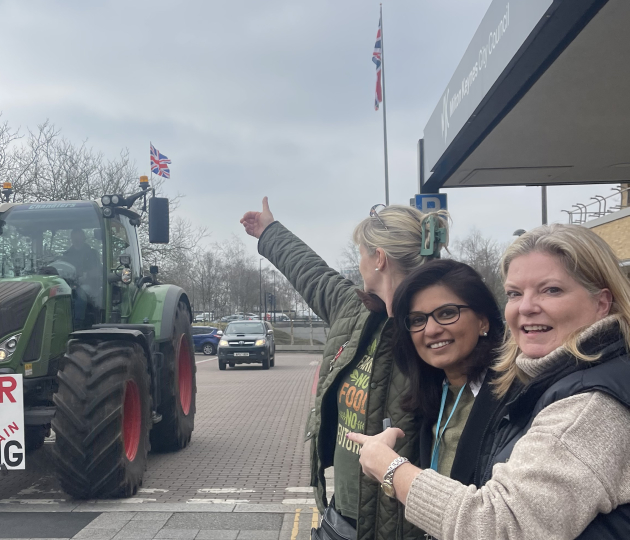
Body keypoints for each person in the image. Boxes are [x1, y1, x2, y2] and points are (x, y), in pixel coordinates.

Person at [349, 224, 630, 540]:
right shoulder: (546, 379)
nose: (526, 307)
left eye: (552, 290)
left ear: (602, 303)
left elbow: (500, 525)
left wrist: (391, 470)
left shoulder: (588, 404)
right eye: (514, 293)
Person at [240, 197, 448, 539]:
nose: (359, 263)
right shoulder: (356, 311)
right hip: (341, 517)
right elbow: (313, 275)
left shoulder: (435, 334)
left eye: (361, 254)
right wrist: (269, 233)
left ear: (378, 258)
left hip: (399, 529)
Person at [391, 259, 506, 485]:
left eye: (446, 313)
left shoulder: (511, 398)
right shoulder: (434, 394)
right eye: (418, 320)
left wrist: (391, 470)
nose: (431, 330)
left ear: (483, 321)